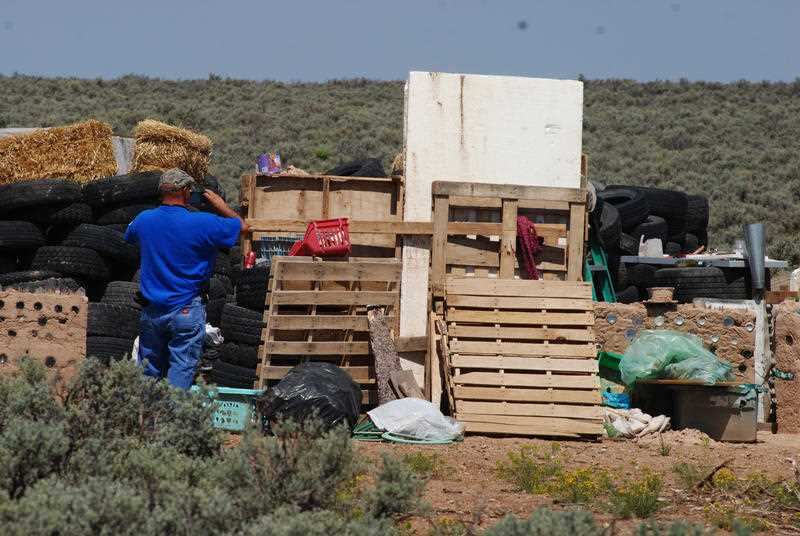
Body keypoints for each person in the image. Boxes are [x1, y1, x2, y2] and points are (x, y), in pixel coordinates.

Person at [124, 168, 250, 389]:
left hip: (152, 310)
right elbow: (242, 227)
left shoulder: (144, 220)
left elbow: (129, 234)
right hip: (186, 308)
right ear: (185, 191)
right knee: (181, 371)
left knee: (148, 372)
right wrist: (220, 205)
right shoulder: (204, 222)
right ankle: (173, 421)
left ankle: (145, 421)